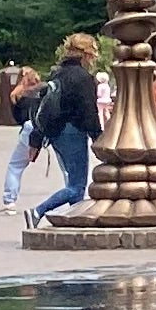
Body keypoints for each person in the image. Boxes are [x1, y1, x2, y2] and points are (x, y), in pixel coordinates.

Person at [27, 34, 102, 223]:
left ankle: (75, 219)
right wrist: (98, 138)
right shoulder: (83, 78)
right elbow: (88, 112)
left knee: (73, 181)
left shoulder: (57, 73)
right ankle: (38, 211)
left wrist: (36, 139)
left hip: (56, 134)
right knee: (77, 186)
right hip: (73, 132)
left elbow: (46, 106)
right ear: (86, 54)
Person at [0, 60, 46, 210]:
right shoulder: (45, 91)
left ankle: (9, 199)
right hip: (47, 126)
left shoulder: (18, 96)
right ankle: (76, 195)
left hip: (29, 128)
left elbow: (18, 118)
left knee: (16, 165)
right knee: (66, 165)